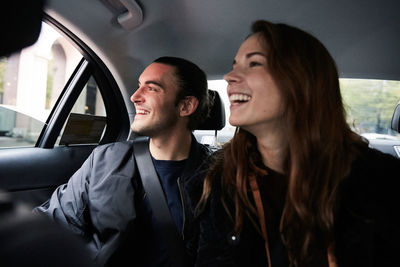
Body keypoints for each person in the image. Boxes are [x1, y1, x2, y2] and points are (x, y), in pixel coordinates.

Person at [186, 20, 400, 267]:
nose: (229, 77)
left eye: (254, 63)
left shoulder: (381, 182)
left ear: (300, 80)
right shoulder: (217, 183)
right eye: (234, 66)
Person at [35, 56, 211, 266]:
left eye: (152, 88)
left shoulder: (219, 173)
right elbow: (54, 224)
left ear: (185, 106)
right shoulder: (105, 160)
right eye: (138, 86)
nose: (135, 96)